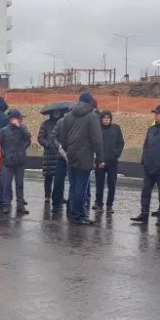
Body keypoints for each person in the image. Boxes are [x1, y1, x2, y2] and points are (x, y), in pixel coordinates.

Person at [60, 92, 104, 225]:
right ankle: (79, 215)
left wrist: (68, 149)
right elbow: (97, 139)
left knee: (73, 185)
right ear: (90, 102)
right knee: (81, 186)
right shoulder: (92, 116)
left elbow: (62, 137)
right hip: (85, 155)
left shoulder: (68, 116)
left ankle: (75, 213)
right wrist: (100, 158)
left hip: (71, 155)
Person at [132, 104, 160, 224]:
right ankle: (144, 214)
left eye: (157, 113)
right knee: (145, 191)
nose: (155, 115)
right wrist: (144, 161)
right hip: (149, 167)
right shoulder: (151, 129)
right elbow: (146, 146)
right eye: (155, 113)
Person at [0, 109, 31, 215]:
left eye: (19, 119)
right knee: (7, 184)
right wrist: (4, 153)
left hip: (20, 161)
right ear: (11, 119)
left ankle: (20, 205)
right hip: (8, 162)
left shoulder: (23, 129)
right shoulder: (3, 130)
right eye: (17, 118)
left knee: (19, 184)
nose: (19, 120)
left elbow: (28, 137)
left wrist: (22, 150)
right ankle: (7, 204)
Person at [94, 111, 124, 212]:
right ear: (101, 119)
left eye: (108, 118)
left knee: (112, 184)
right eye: (104, 118)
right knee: (99, 184)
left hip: (112, 162)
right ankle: (98, 203)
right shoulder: (97, 129)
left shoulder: (116, 128)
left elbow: (121, 142)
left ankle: (109, 205)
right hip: (100, 162)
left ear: (110, 119)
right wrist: (98, 159)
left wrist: (116, 153)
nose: (106, 120)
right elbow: (94, 144)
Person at [38, 107, 66, 203]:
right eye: (55, 111)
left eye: (58, 111)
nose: (57, 113)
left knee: (60, 177)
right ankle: (47, 196)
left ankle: (60, 196)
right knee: (48, 176)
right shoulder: (45, 124)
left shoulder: (64, 123)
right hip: (49, 154)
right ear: (51, 112)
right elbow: (40, 137)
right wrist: (47, 145)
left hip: (60, 153)